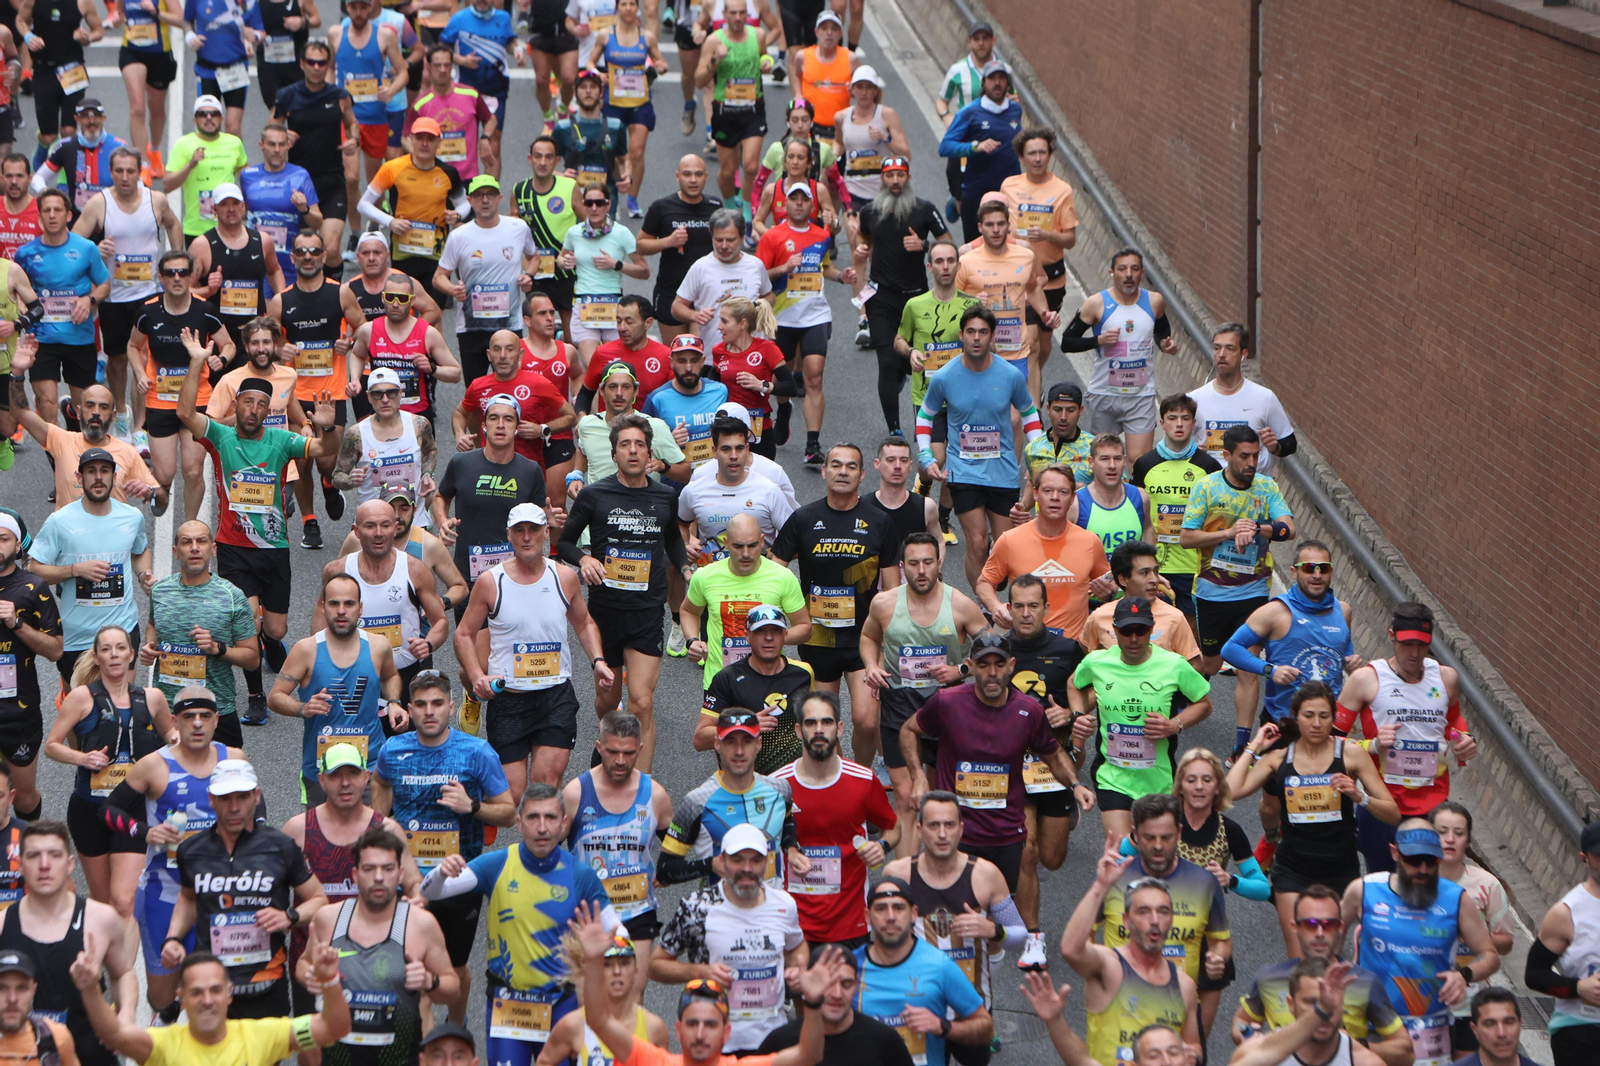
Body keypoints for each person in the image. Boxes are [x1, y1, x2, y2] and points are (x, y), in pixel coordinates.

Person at [174, 335, 338, 723]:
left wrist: (327, 429)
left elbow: (322, 451)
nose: (253, 409)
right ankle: (256, 697)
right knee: (246, 621)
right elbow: (184, 414)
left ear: (269, 411)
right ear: (237, 405)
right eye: (247, 402)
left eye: (261, 404)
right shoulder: (221, 436)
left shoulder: (281, 441)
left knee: (277, 629)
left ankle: (268, 639)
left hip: (274, 548)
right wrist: (197, 361)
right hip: (233, 547)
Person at [421, 783, 621, 1066]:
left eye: (550, 818)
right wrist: (440, 873)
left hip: (560, 1005)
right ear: (519, 822)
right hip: (507, 1005)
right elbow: (431, 892)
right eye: (533, 817)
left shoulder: (581, 875)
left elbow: (619, 934)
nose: (542, 827)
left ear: (564, 823)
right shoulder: (496, 864)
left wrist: (599, 958)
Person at [900, 630, 1090, 898]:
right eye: (984, 664)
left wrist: (1075, 784)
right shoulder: (947, 702)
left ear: (1011, 666)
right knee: (960, 909)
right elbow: (909, 730)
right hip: (959, 828)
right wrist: (918, 776)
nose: (992, 672)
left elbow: (1052, 754)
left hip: (1006, 830)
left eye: (999, 664)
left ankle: (1032, 937)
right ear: (971, 666)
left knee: (1006, 903)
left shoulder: (1028, 710)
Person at [370, 671, 512, 1019]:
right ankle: (414, 1033)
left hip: (458, 878)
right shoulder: (394, 749)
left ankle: (456, 1026)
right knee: (404, 961)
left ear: (451, 706)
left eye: (437, 704)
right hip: (406, 877)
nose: (429, 711)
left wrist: (473, 807)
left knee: (455, 965)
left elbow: (508, 813)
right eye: (420, 705)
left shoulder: (476, 752)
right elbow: (380, 781)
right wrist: (380, 823)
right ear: (409, 709)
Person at [94, 688, 242, 1014]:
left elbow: (258, 813)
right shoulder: (154, 766)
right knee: (162, 999)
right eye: (189, 717)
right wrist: (146, 832)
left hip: (220, 893)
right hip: (166, 894)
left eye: (205, 716)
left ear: (217, 720)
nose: (198, 724)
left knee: (220, 990)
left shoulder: (234, 760)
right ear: (175, 721)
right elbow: (108, 811)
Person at [557, 416, 689, 769]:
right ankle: (608, 734)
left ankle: (640, 784)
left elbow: (673, 538)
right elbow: (565, 542)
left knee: (642, 702)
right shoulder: (594, 495)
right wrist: (584, 560)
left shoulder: (663, 496)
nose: (633, 451)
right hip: (605, 611)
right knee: (607, 698)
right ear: (613, 453)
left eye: (640, 444)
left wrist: (686, 567)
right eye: (625, 445)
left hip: (647, 609)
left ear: (649, 452)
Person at [1227, 683, 1397, 954]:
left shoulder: (1351, 755)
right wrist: (1254, 746)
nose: (1316, 724)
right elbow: (1230, 792)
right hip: (1293, 869)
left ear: (1333, 718)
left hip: (1340, 869)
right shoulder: (1279, 758)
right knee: (1300, 959)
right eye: (1308, 716)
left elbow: (1392, 812)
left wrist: (1358, 795)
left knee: (1328, 957)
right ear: (1296, 717)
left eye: (1324, 716)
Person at [574, 899, 844, 1066]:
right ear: (678, 1031)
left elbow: (809, 1055)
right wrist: (596, 961)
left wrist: (813, 1003)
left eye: (710, 1024)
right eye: (693, 1024)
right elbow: (598, 1020)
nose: (701, 1033)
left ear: (726, 1033)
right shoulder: (654, 1061)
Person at [457, 502, 610, 791]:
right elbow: (464, 634)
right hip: (509, 701)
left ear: (545, 533)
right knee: (511, 796)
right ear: (509, 535)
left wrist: (598, 660)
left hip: (555, 697)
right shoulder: (491, 582)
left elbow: (584, 623)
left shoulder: (564, 578)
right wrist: (477, 676)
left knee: (547, 786)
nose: (526, 537)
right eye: (519, 531)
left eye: (533, 530)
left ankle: (545, 836)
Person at [161, 758, 332, 1014]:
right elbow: (187, 898)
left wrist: (289, 916)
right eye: (225, 798)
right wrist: (173, 938)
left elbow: (319, 900)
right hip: (211, 990)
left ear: (256, 796)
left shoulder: (281, 847)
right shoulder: (191, 850)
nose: (234, 807)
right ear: (211, 799)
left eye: (242, 797)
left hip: (265, 988)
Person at [1222, 541, 1358, 852]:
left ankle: (1308, 848)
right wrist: (1270, 670)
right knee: (1271, 804)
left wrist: (1353, 662)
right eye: (1309, 568)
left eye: (1323, 568)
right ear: (1294, 571)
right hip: (1283, 722)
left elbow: (1343, 654)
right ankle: (1271, 837)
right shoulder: (1276, 611)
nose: (1317, 575)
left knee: (1323, 793)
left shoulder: (1344, 611)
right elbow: (1231, 649)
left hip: (1327, 723)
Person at [772, 442, 900, 768]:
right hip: (818, 640)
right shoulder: (803, 519)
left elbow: (893, 589)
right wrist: (792, 615)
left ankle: (864, 772)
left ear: (862, 474)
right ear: (825, 471)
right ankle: (841, 774)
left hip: (864, 639)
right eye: (836, 465)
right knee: (823, 722)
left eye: (851, 466)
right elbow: (775, 571)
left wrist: (888, 638)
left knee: (867, 721)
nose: (843, 471)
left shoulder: (879, 521)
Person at [277, 742, 421, 1015]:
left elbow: (413, 883)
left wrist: (417, 903)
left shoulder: (387, 829)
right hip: (313, 960)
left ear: (366, 777)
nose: (345, 783)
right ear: (321, 780)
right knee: (314, 1052)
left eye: (353, 774)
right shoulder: (298, 830)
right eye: (335, 775)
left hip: (374, 960)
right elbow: (275, 889)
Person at [1341, 820, 1500, 1066]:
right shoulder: (1363, 891)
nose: (1423, 869)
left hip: (1430, 1031)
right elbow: (1331, 944)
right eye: (1414, 861)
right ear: (1395, 852)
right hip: (1371, 1025)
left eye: (1431, 861)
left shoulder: (1456, 899)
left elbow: (1490, 956)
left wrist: (1464, 975)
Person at [297, 825, 459, 1064]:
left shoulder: (421, 924)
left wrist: (430, 981)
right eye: (369, 869)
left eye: (388, 868)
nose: (379, 877)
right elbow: (303, 964)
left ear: (400, 874)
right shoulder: (328, 919)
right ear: (355, 874)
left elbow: (452, 989)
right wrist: (309, 975)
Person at [1334, 603, 1474, 875]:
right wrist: (1371, 746)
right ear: (1391, 636)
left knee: (1426, 886)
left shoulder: (1445, 677)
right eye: (1407, 643)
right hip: (1382, 804)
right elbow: (1329, 741)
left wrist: (1464, 738)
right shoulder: (1366, 680)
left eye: (1422, 645)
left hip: (1433, 805)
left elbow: (1453, 722)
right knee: (1384, 887)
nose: (1415, 653)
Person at [859, 531, 986, 823]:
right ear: (902, 566)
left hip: (946, 704)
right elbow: (868, 636)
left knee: (940, 798)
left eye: (928, 562)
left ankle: (939, 859)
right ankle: (909, 868)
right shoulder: (884, 603)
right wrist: (871, 666)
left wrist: (962, 669)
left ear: (939, 562)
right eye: (913, 563)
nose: (921, 570)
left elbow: (993, 650)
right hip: (898, 702)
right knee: (905, 798)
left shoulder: (960, 605)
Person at [916, 305, 1043, 590]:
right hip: (964, 472)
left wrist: (1037, 459)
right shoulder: (945, 377)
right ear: (961, 335)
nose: (976, 338)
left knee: (1004, 546)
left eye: (983, 332)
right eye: (970, 332)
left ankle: (996, 585)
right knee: (977, 542)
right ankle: (986, 612)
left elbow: (1030, 414)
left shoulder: (1010, 375)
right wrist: (926, 456)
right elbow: (925, 416)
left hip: (1002, 472)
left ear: (992, 336)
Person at [45, 625, 170, 908]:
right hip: (91, 809)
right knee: (102, 903)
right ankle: (104, 951)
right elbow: (52, 745)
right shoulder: (80, 698)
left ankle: (124, 951)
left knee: (124, 900)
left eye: (120, 648)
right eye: (106, 650)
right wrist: (82, 758)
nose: (114, 655)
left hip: (133, 809)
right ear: (96, 657)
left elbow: (173, 743)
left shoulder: (153, 698)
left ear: (131, 655)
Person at [652, 822, 805, 1053]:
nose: (747, 868)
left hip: (773, 1041)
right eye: (737, 860)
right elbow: (655, 966)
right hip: (716, 1045)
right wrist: (700, 972)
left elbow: (796, 946)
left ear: (767, 862)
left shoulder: (784, 904)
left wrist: (798, 968)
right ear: (722, 862)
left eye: (755, 860)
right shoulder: (698, 907)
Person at [1068, 596, 1213, 839]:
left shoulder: (1173, 665)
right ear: (1115, 630)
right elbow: (1074, 683)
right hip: (1112, 777)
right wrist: (1077, 715)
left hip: (1158, 780)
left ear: (1152, 629)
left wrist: (1173, 725)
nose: (1134, 638)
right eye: (1126, 631)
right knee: (1121, 856)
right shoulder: (1097, 662)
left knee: (1154, 855)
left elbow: (1204, 704)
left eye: (1141, 630)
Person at [882, 791, 1023, 1038]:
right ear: (919, 829)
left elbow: (1020, 936)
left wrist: (993, 931)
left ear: (961, 828)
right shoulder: (898, 875)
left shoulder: (985, 875)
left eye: (949, 825)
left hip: (971, 1007)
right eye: (934, 825)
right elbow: (879, 940)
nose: (942, 834)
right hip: (916, 1004)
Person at [74, 941, 351, 1065]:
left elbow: (333, 1028)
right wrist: (89, 989)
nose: (207, 1000)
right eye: (197, 992)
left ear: (229, 993)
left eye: (216, 990)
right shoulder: (160, 1045)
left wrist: (329, 982)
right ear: (180, 998)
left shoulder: (265, 1035)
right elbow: (113, 1034)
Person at [0, 819, 139, 1066]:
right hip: (24, 1056)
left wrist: (125, 1017)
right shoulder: (2, 925)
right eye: (33, 856)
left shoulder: (101, 919)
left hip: (92, 1053)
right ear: (20, 865)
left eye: (54, 855)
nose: (44, 865)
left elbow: (123, 973)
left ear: (70, 864)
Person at [1094, 793, 1232, 1041]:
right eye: (1149, 837)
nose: (1158, 845)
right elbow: (1082, 937)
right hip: (1122, 1009)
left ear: (1179, 833)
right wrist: (1097, 973)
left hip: (1177, 1009)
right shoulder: (1114, 879)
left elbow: (1221, 940)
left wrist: (1217, 957)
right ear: (1135, 834)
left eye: (1166, 837)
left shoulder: (1204, 883)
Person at [72, 144, 182, 450]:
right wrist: (95, 247)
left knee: (144, 360)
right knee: (118, 359)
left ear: (140, 172)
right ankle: (120, 411)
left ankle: (140, 425)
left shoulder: (155, 199)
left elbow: (173, 224)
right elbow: (73, 242)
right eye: (118, 171)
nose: (124, 177)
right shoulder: (99, 203)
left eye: (130, 171)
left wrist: (176, 258)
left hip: (148, 294)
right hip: (114, 297)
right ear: (111, 172)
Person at [1231, 883, 1412, 1066]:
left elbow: (1405, 1051)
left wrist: (1350, 1046)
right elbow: (1240, 1024)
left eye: (1328, 925)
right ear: (1295, 927)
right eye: (1310, 924)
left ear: (1341, 928)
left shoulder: (1363, 982)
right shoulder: (1268, 978)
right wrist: (1248, 1035)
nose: (1319, 933)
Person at [770, 690, 897, 948]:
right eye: (810, 723)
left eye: (826, 722)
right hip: (793, 926)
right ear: (798, 730)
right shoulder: (777, 785)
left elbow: (893, 827)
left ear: (839, 728)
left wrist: (881, 846)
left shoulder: (863, 780)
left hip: (850, 924)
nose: (819, 730)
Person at [268, 573, 407, 805]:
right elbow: (275, 697)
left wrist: (393, 702)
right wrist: (302, 708)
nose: (341, 611)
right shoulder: (306, 650)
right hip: (323, 769)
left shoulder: (378, 646)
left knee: (371, 838)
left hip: (370, 765)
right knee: (324, 838)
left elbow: (391, 675)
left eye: (349, 603)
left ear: (360, 608)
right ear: (324, 607)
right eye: (334, 603)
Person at [1061, 835, 1201, 1064]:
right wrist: (1101, 886)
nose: (1154, 920)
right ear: (1126, 921)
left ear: (1171, 920)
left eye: (1163, 911)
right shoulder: (1109, 966)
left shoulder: (1184, 985)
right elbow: (1071, 950)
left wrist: (1191, 1056)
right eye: (1144, 911)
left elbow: (1193, 1044)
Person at [561, 711, 674, 995]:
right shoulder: (576, 793)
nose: (620, 761)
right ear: (599, 747)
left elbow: (678, 848)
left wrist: (667, 870)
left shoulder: (655, 795)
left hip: (637, 912)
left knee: (632, 1002)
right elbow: (546, 850)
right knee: (588, 1003)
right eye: (612, 752)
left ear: (640, 749)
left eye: (627, 753)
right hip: (589, 915)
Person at [1177, 425, 1296, 686]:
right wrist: (1227, 533)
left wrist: (1257, 528)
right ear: (1227, 455)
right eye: (1244, 456)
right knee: (1211, 664)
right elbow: (1186, 539)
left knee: (1248, 665)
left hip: (1253, 590)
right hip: (1211, 590)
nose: (1252, 462)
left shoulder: (1266, 487)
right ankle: (1183, 698)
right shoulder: (1206, 487)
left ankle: (1243, 729)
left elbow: (1288, 529)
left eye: (1256, 455)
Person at [27, 448, 153, 685]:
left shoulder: (132, 517)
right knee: (82, 715)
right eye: (91, 471)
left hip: (122, 629)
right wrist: (74, 571)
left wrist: (144, 574)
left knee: (121, 707)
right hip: (77, 636)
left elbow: (140, 551)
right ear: (79, 478)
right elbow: (35, 569)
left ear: (114, 477)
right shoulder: (60, 521)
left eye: (105, 471)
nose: (98, 477)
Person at [852, 876, 992, 1066]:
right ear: (868, 916)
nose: (890, 916)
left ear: (913, 914)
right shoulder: (849, 967)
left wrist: (943, 1027)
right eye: (881, 908)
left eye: (899, 907)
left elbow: (986, 1028)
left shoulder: (939, 965)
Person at [8, 339, 162, 509]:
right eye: (90, 405)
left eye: (103, 407)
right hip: (70, 534)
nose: (96, 412)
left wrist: (150, 493)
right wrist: (17, 372)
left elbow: (161, 503)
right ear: (79, 411)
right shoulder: (60, 440)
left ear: (113, 416)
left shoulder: (128, 453)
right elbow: (20, 412)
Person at [431, 394, 552, 613]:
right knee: (469, 641)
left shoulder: (530, 470)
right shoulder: (461, 463)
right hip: (468, 574)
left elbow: (536, 522)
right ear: (484, 425)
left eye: (508, 419)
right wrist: (443, 520)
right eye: (494, 418)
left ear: (517, 427)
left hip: (515, 574)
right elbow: (441, 496)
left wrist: (547, 520)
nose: (500, 425)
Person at [857, 157, 949, 437]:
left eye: (900, 175)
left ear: (908, 178)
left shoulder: (924, 209)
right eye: (889, 175)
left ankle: (930, 420)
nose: (895, 181)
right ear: (882, 180)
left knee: (918, 362)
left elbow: (948, 245)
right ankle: (895, 430)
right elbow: (863, 244)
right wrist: (861, 254)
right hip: (881, 299)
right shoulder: (869, 212)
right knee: (886, 362)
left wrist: (924, 245)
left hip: (917, 298)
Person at [268, 229, 349, 546]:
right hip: (295, 394)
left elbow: (360, 328)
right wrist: (279, 350)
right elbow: (266, 342)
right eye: (301, 252)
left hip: (331, 392)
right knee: (300, 461)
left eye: (314, 251)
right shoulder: (281, 300)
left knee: (328, 461)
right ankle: (309, 521)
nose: (308, 257)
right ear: (293, 258)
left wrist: (348, 342)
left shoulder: (340, 294)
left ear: (323, 256)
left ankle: (329, 485)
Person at [319, 499, 447, 700]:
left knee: (403, 731)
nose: (378, 533)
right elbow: (320, 617)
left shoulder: (415, 570)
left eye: (385, 525)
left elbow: (440, 622)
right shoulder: (338, 570)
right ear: (356, 531)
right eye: (370, 526)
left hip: (405, 674)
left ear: (395, 528)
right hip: (352, 676)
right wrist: (322, 663)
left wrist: (428, 644)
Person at [1060, 248, 1177, 463]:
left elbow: (1161, 328)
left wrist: (1164, 343)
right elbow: (1067, 341)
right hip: (1105, 393)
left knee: (1139, 460)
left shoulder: (1155, 301)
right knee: (1105, 459)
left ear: (1142, 273)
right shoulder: (1097, 303)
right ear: (1112, 273)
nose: (1129, 274)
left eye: (1134, 269)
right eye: (1122, 269)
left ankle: (1134, 496)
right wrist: (1098, 341)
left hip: (1140, 395)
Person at [659, 711, 799, 887]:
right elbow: (665, 870)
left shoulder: (780, 790)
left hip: (771, 912)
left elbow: (787, 821)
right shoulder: (697, 803)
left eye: (747, 741)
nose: (739, 751)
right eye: (731, 742)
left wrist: (792, 848)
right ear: (717, 744)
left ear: (758, 744)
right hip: (719, 911)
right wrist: (710, 865)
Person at [756, 183, 846, 451]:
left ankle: (813, 444)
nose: (798, 203)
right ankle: (784, 409)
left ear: (811, 205)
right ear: (785, 204)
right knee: (779, 382)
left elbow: (824, 267)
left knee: (814, 377)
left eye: (803, 199)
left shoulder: (822, 235)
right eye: (792, 198)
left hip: (816, 315)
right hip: (781, 318)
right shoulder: (772, 236)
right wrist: (785, 267)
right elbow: (759, 276)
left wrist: (842, 276)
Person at [14, 187, 109, 429]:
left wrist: (89, 300)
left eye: (58, 210)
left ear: (68, 215)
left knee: (83, 408)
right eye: (47, 210)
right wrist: (22, 305)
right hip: (42, 339)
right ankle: (57, 459)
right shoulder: (26, 254)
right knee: (46, 403)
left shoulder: (86, 248)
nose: (52, 215)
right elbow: (17, 290)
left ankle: (76, 441)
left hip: (79, 337)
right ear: (39, 217)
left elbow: (105, 285)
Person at [1430, 801, 1516, 1058]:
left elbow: (1506, 943)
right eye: (1442, 832)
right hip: (1423, 998)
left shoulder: (1487, 884)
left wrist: (1473, 935)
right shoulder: (1415, 879)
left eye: (1458, 833)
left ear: (1468, 841)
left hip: (1470, 998)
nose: (1450, 839)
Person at [681, 497, 803, 676]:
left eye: (752, 545)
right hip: (720, 679)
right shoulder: (705, 576)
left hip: (767, 678)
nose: (746, 554)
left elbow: (804, 627)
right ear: (727, 543)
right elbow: (689, 611)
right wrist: (692, 640)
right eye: (738, 546)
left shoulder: (782, 576)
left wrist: (770, 638)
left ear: (762, 541)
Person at [433, 176, 537, 381]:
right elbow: (438, 277)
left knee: (511, 385)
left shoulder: (518, 228)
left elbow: (533, 256)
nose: (485, 200)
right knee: (475, 390)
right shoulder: (459, 236)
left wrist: (528, 275)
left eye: (490, 194)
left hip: (508, 324)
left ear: (499, 198)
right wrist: (453, 289)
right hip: (472, 327)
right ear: (470, 201)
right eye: (479, 196)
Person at [1129, 393, 1220, 626]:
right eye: (1172, 418)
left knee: (1190, 635)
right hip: (1155, 564)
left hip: (1194, 566)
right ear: (1162, 423)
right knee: (1153, 628)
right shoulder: (1144, 464)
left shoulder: (1209, 467)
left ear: (1194, 423)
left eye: (1185, 418)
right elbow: (1135, 512)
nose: (1179, 424)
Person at [271, 43, 361, 279]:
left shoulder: (339, 95)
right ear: (302, 64)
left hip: (331, 179)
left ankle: (333, 297)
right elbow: (271, 128)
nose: (316, 67)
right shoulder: (287, 95)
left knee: (330, 249)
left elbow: (351, 122)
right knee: (303, 250)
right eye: (311, 62)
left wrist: (354, 139)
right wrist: (282, 135)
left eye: (321, 63)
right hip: (299, 183)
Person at [832, 65, 906, 346]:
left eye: (868, 87)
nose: (863, 92)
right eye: (858, 87)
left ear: (876, 90)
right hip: (854, 195)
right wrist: (827, 155)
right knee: (859, 255)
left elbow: (906, 152)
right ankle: (864, 317)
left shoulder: (886, 115)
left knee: (884, 255)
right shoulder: (842, 117)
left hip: (884, 197)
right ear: (851, 89)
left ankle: (888, 313)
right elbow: (840, 148)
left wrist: (885, 139)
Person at [952, 199, 1057, 396]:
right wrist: (972, 300)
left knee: (1014, 418)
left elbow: (1033, 287)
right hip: (979, 352)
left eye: (1001, 224)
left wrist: (1045, 313)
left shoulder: (1025, 256)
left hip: (1016, 351)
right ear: (980, 227)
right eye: (990, 225)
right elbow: (951, 300)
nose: (996, 230)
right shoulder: (965, 261)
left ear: (1009, 226)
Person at [694, 600, 812, 774]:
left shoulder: (804, 673)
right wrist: (745, 724)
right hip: (743, 783)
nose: (769, 637)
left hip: (791, 782)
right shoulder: (727, 678)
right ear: (747, 636)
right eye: (760, 631)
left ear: (785, 635)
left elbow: (819, 724)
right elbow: (700, 739)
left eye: (776, 631)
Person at [358, 121, 467, 306]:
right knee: (402, 310)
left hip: (436, 254)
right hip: (403, 253)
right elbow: (363, 204)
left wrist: (456, 215)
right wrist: (390, 221)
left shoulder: (449, 173)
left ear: (439, 142)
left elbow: (464, 205)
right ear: (410, 140)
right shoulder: (392, 168)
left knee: (433, 314)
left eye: (430, 139)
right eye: (419, 138)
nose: (424, 144)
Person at [756, 945, 915, 1064]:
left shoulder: (884, 1040)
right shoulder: (780, 1041)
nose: (837, 994)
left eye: (846, 984)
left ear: (857, 985)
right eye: (829, 983)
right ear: (810, 984)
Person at [330, 0, 409, 239]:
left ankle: (374, 226)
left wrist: (392, 90)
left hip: (375, 117)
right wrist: (328, 92)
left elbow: (403, 70)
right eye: (354, 7)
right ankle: (354, 233)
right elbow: (328, 67)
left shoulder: (384, 35)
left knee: (376, 182)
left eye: (363, 7)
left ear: (371, 7)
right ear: (347, 8)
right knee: (351, 178)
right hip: (347, 117)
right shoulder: (335, 33)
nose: (359, 12)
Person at [0, 511, 60, 818]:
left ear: (17, 546)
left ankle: (29, 857)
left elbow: (55, 650)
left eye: (3, 538)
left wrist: (16, 623)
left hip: (17, 712)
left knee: (22, 797)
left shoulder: (33, 587)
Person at [535, 930, 670, 1065]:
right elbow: (544, 1062)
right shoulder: (574, 1025)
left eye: (624, 963)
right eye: (607, 964)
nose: (617, 971)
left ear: (636, 971)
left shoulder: (654, 1028)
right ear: (596, 971)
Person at [1526, 819, 1600, 1066]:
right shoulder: (1566, 912)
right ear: (1584, 858)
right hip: (1581, 1031)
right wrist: (1578, 988)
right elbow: (1534, 974)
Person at [1002, 129, 1076, 372]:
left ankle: (1034, 377)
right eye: (1031, 153)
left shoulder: (1062, 190)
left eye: (1042, 153)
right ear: (1021, 158)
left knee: (1043, 347)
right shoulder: (1009, 186)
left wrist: (1047, 235)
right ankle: (1029, 397)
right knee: (1030, 342)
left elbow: (1070, 239)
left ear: (1049, 156)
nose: (1037, 158)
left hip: (1051, 279)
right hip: (1017, 276)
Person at [345, 272, 461, 425]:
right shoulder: (369, 330)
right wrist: (355, 379)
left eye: (402, 298)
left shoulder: (427, 333)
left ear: (412, 300)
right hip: (381, 417)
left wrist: (432, 369)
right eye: (390, 297)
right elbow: (358, 355)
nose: (395, 303)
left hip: (417, 418)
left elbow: (456, 373)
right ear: (382, 297)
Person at [679, 415, 791, 567]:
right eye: (726, 449)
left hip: (758, 583)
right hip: (712, 582)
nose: (733, 456)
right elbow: (679, 525)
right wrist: (685, 545)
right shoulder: (694, 490)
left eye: (739, 449)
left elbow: (794, 536)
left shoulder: (769, 490)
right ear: (714, 451)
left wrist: (767, 554)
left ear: (747, 449)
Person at [333, 366, 440, 526]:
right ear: (368, 397)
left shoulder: (419, 425)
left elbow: (430, 451)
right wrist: (350, 480)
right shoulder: (357, 433)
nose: (385, 400)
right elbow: (337, 476)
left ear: (401, 393)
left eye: (391, 393)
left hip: (414, 523)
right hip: (372, 526)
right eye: (378, 394)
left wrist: (427, 474)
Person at [186, 182, 286, 352]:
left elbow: (274, 270)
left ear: (243, 207)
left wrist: (281, 301)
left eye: (235, 204)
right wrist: (208, 290)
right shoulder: (202, 246)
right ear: (214, 210)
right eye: (224, 204)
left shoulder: (262, 241)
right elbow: (185, 291)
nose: (230, 209)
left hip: (254, 334)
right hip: (217, 334)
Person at [591, 0, 670, 212]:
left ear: (637, 8)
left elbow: (660, 61)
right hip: (613, 102)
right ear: (617, 8)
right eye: (623, 4)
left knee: (637, 152)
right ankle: (617, 191)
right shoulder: (605, 35)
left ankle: (633, 198)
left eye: (632, 4)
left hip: (639, 102)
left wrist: (661, 66)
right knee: (615, 154)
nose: (628, 8)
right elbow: (590, 62)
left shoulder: (647, 37)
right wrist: (598, 75)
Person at [455, 329, 574, 468]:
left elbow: (571, 416)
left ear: (520, 354)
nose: (503, 356)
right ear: (489, 355)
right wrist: (460, 435)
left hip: (527, 469)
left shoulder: (539, 383)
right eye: (497, 349)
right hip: (488, 467)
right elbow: (460, 413)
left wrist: (542, 429)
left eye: (509, 350)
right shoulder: (478, 386)